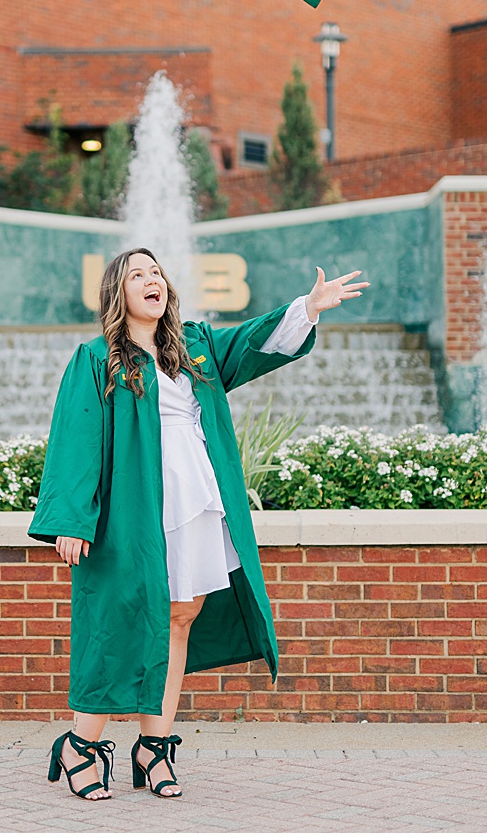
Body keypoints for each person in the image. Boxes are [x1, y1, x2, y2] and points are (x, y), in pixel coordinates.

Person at [29, 248, 369, 801]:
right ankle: (80, 744)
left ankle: (153, 747)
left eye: (156, 272)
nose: (151, 280)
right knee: (117, 622)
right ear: (118, 292)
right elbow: (76, 438)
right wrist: (71, 518)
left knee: (181, 616)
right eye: (137, 275)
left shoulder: (196, 347)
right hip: (132, 510)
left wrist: (307, 308)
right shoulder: (97, 359)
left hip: (196, 501)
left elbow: (256, 342)